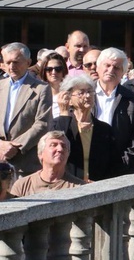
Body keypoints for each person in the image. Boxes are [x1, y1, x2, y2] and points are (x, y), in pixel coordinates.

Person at [0, 42, 53, 176]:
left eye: (16, 62)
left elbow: (43, 124)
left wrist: (15, 146)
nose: (11, 66)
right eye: (8, 62)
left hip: (26, 163)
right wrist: (1, 145)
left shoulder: (41, 88)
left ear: (28, 62)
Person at [94, 48, 134, 175]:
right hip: (86, 169)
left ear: (123, 72)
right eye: (107, 65)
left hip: (120, 171)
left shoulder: (133, 101)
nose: (111, 70)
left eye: (116, 67)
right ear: (98, 67)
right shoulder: (83, 94)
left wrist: (121, 165)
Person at [54, 75, 119, 182]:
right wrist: (64, 113)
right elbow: (57, 145)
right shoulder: (59, 123)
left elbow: (112, 162)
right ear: (69, 99)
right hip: (68, 184)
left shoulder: (104, 129)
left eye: (90, 91)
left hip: (98, 185)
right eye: (81, 93)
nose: (87, 95)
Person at [10, 131, 86, 197]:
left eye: (64, 146)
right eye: (53, 145)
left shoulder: (79, 187)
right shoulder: (22, 186)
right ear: (40, 154)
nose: (60, 149)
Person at [39, 51, 69, 118]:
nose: (53, 72)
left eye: (58, 69)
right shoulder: (39, 93)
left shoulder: (70, 94)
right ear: (44, 72)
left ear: (63, 70)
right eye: (49, 69)